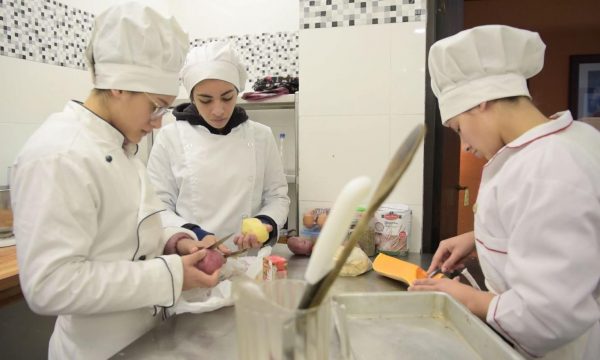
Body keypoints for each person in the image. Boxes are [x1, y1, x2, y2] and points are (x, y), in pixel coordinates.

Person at [10, 3, 221, 359]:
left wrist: (175, 244)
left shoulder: (120, 144)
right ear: (119, 86)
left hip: (145, 340)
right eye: (156, 106)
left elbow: (124, 235)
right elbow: (49, 285)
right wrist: (170, 275)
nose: (158, 122)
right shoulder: (59, 155)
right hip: (97, 351)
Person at [409, 25, 600, 360]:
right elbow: (559, 227)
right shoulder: (573, 138)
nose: (465, 145)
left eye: (457, 128)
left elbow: (547, 316)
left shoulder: (547, 166)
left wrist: (460, 296)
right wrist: (476, 237)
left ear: (480, 102)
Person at [147, 41, 290, 251]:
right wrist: (193, 233)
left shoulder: (261, 136)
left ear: (238, 91)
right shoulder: (170, 137)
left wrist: (264, 222)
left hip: (248, 259)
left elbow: (277, 196)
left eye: (227, 97)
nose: (218, 110)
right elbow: (156, 206)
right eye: (205, 100)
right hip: (194, 256)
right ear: (192, 97)